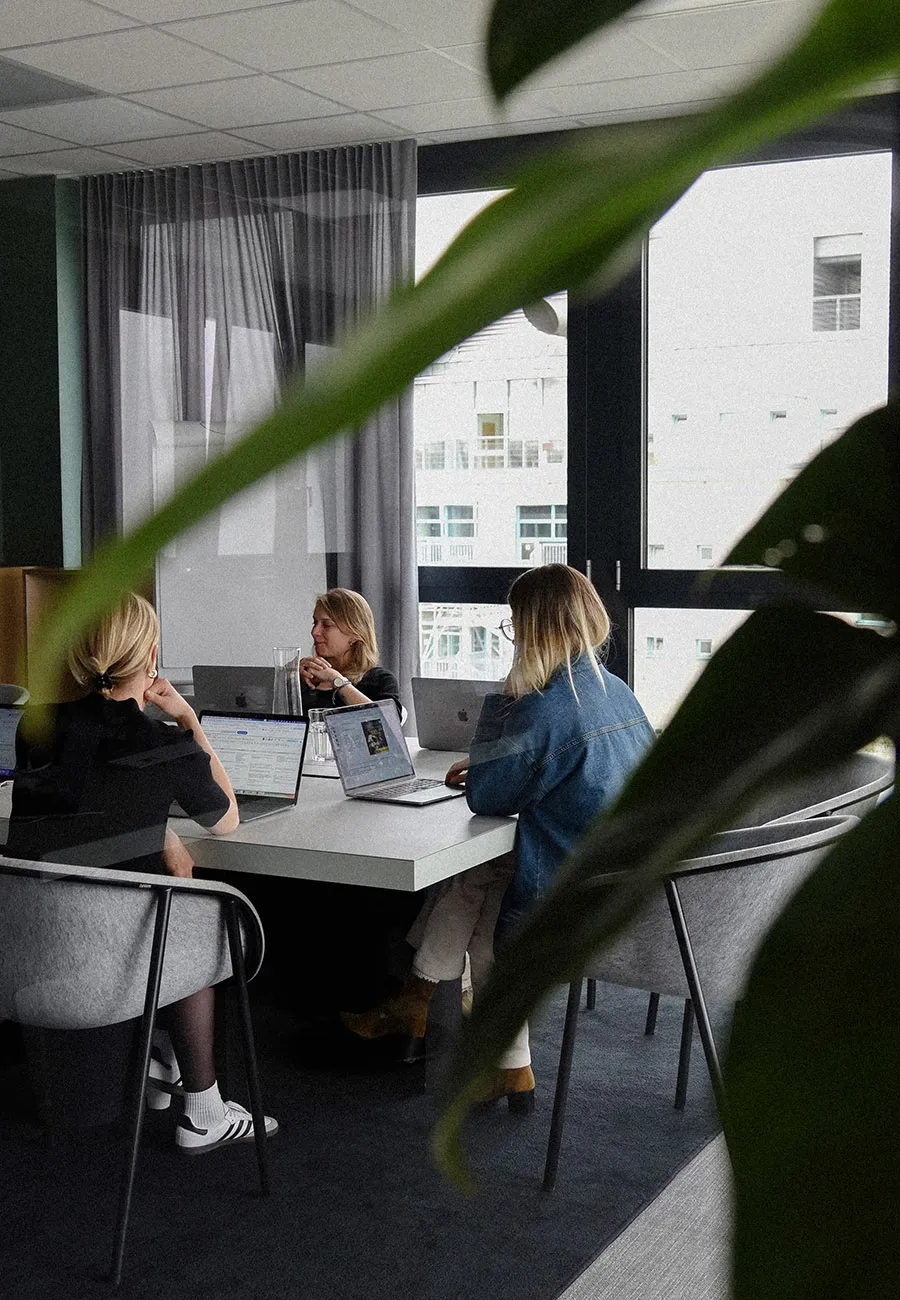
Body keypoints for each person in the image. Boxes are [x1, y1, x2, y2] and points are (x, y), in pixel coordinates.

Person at [342, 564, 655, 1110]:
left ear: (534, 629)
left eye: (513, 625)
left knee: (484, 906)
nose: (511, 635)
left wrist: (503, 700)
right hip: (616, 870)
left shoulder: (543, 709)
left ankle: (473, 1041)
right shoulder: (615, 692)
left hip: (564, 890)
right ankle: (432, 1013)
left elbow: (486, 797)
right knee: (476, 875)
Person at [6, 592, 278, 1155]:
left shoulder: (34, 727)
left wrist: (157, 836)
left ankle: (163, 1052)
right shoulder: (163, 743)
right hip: (109, 969)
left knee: (166, 892)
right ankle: (202, 1109)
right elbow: (225, 818)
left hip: (26, 959)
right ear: (152, 655)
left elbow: (75, 811)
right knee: (200, 914)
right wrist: (187, 718)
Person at [299, 587, 401, 716]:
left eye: (327, 625)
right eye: (315, 622)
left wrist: (337, 680)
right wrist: (290, 676)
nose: (315, 632)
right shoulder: (305, 677)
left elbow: (389, 727)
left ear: (354, 634)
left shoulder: (380, 681)